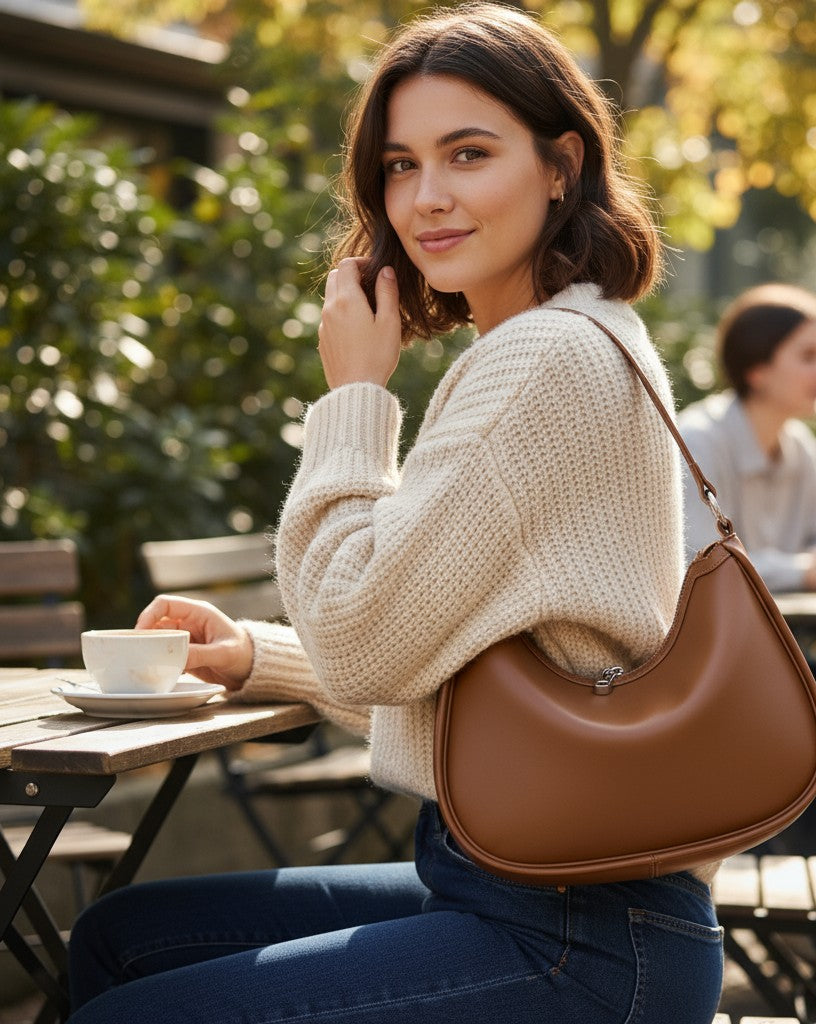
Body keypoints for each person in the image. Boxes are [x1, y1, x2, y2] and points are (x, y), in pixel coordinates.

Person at [65, 6, 724, 1023]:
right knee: (122, 938)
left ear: (561, 164)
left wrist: (353, 398)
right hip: (540, 890)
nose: (427, 198)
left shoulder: (541, 361)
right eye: (398, 166)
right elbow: (445, 662)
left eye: (467, 153)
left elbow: (369, 644)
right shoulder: (570, 338)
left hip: (578, 938)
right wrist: (255, 655)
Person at [676, 282, 816, 594]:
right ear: (756, 369)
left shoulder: (799, 443)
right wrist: (805, 569)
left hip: (789, 636)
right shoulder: (698, 441)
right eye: (809, 356)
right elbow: (699, 566)